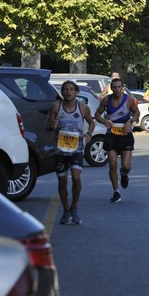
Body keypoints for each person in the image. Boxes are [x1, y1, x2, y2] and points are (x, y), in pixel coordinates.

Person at [46, 81, 95, 224]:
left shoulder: (83, 108)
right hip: (60, 149)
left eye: (71, 89)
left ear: (76, 92)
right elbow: (48, 126)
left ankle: (74, 206)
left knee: (76, 177)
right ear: (62, 92)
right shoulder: (56, 107)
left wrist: (89, 134)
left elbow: (92, 122)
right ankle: (66, 210)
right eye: (66, 90)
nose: (68, 92)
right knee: (62, 181)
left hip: (77, 148)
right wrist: (52, 125)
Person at [95, 77, 140, 203]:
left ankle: (124, 174)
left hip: (125, 135)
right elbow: (97, 114)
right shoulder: (106, 100)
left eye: (119, 87)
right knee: (112, 162)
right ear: (111, 88)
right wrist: (104, 121)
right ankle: (116, 192)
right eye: (114, 87)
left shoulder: (129, 100)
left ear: (123, 87)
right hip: (112, 135)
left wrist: (130, 122)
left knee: (126, 166)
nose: (117, 89)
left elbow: (137, 113)